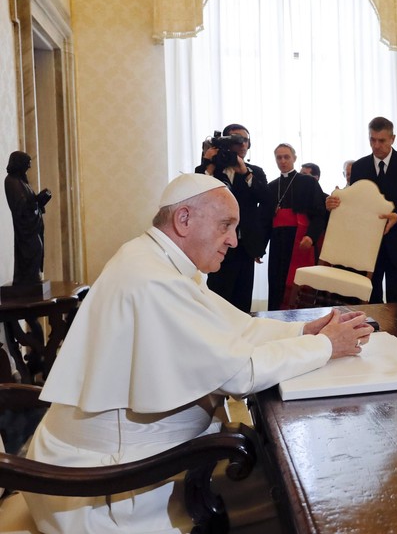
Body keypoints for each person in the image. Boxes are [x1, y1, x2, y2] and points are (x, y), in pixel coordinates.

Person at [23, 173, 373, 533]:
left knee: (283, 470)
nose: (234, 241)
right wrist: (327, 345)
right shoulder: (152, 278)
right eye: (226, 225)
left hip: (151, 455)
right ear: (184, 219)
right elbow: (238, 375)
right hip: (113, 486)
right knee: (299, 496)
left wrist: (303, 330)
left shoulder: (160, 261)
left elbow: (237, 329)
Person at [334, 117, 397, 303]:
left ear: (393, 139)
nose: (376, 145)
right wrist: (336, 204)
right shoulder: (359, 167)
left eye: (381, 140)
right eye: (372, 140)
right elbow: (355, 206)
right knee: (371, 303)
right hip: (368, 247)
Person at [196, 123, 271, 312]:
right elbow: (198, 195)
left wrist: (245, 172)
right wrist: (208, 164)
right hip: (218, 244)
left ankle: (240, 339)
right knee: (217, 298)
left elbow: (266, 199)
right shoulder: (211, 169)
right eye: (238, 139)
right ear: (225, 143)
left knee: (243, 301)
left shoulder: (254, 171)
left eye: (246, 140)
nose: (243, 144)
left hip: (245, 246)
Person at [264, 145, 327, 310]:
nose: (283, 161)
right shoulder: (271, 187)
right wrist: (259, 247)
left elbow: (319, 213)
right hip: (278, 242)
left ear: (294, 158)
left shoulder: (307, 182)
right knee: (277, 282)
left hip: (299, 240)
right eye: (279, 158)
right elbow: (265, 219)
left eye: (286, 157)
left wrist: (311, 237)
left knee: (299, 285)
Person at [4, 151, 51, 284]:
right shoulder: (11, 181)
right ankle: (28, 280)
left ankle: (33, 278)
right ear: (19, 164)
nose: (29, 167)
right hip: (25, 229)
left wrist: (41, 199)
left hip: (32, 226)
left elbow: (30, 202)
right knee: (33, 250)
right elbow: (20, 207)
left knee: (38, 250)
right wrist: (36, 201)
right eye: (27, 164)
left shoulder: (22, 181)